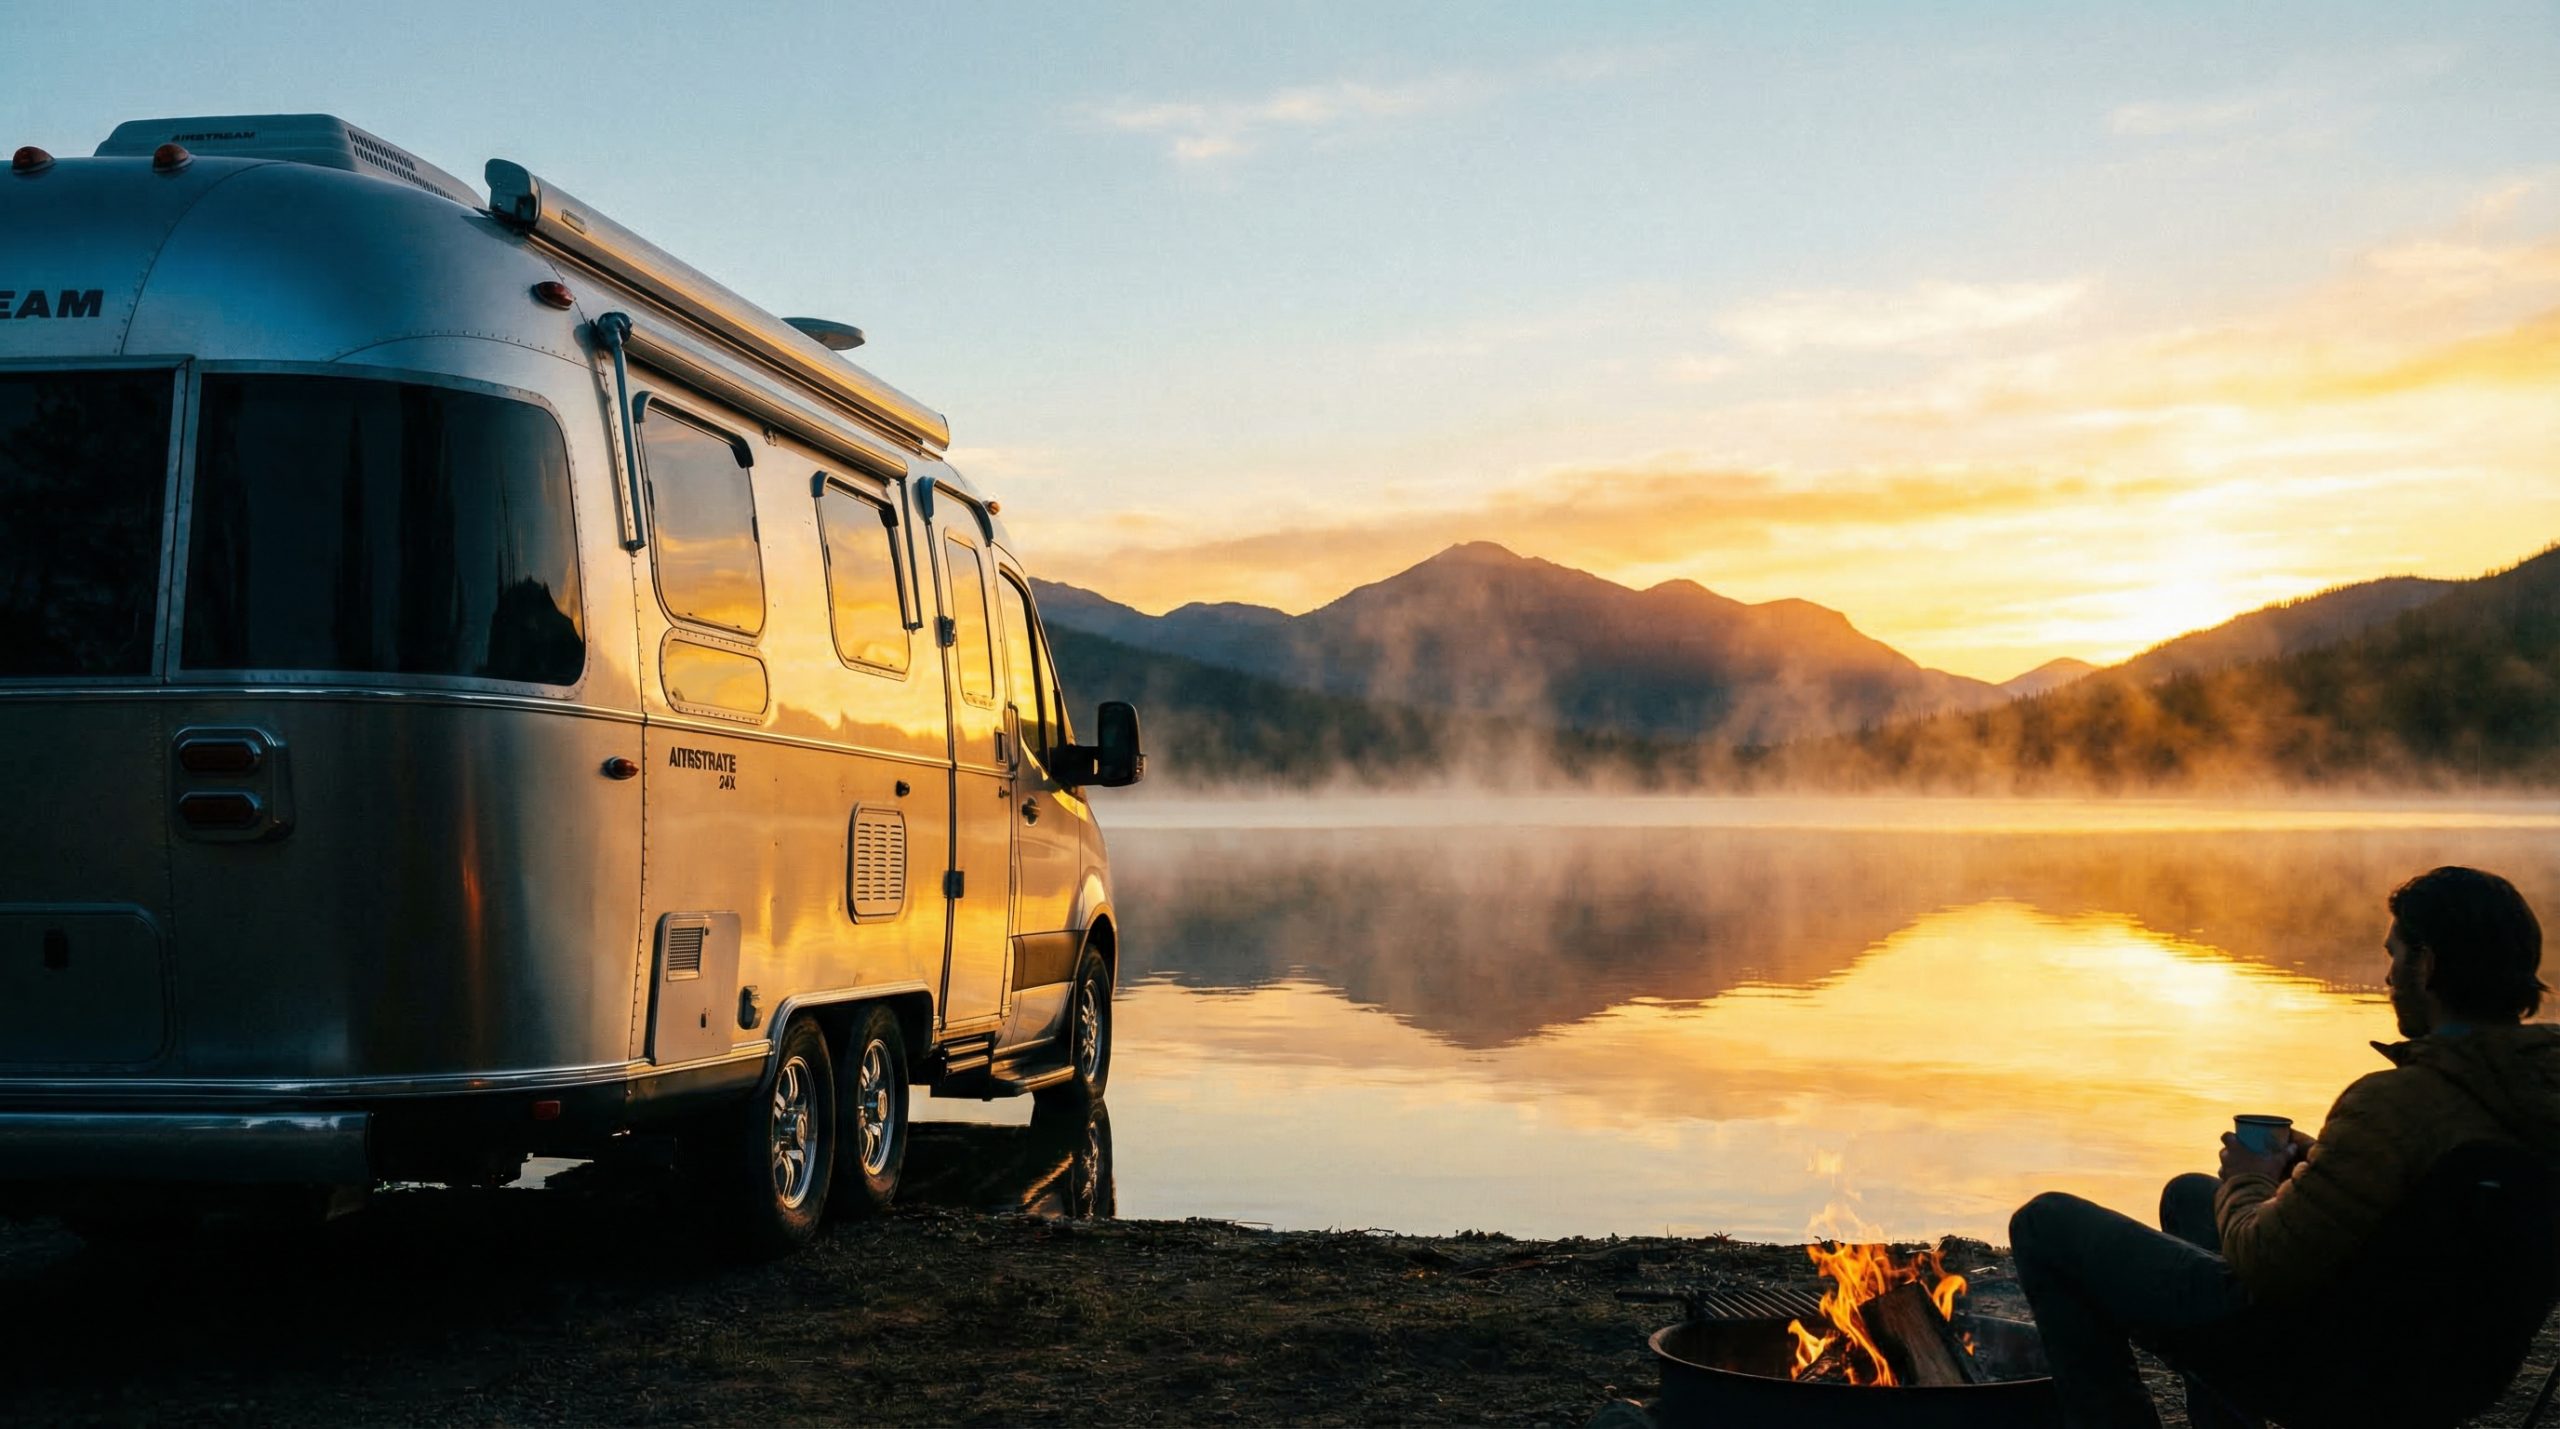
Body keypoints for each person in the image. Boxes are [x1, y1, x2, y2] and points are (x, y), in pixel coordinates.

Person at [2007, 866, 2560, 1428]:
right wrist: (2322, 1166)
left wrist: (2249, 1177)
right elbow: (2430, 1210)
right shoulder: (2540, 1097)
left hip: (2325, 1367)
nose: (2388, 976)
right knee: (2191, 1196)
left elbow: (2263, 1263)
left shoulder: (2395, 1102)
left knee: (2046, 1223)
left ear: (2428, 965)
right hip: (2451, 1373)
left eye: (2395, 955)